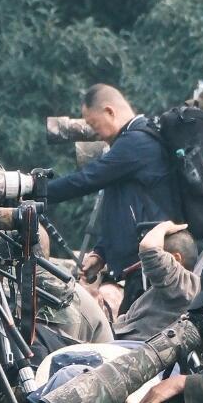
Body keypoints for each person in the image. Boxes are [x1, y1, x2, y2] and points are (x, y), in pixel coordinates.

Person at [39, 85, 178, 285]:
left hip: (148, 268)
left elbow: (85, 180)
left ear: (110, 112)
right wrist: (102, 252)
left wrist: (32, 190)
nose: (95, 134)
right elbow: (124, 207)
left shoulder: (136, 142)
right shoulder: (132, 140)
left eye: (93, 124)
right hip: (137, 266)